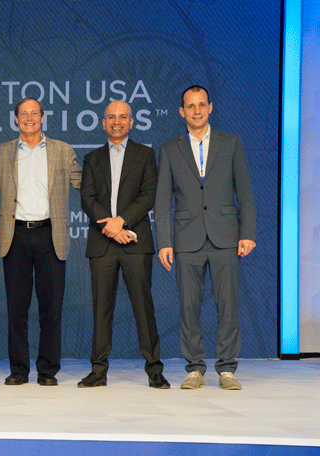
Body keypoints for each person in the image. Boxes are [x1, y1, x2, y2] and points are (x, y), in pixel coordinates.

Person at [154, 85, 256, 390]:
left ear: (210, 107)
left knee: (228, 306)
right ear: (181, 111)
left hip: (226, 235)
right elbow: (162, 200)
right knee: (188, 307)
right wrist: (164, 241)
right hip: (187, 239)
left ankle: (227, 369)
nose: (196, 110)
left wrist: (248, 233)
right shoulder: (170, 150)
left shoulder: (231, 143)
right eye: (190, 106)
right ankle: (194, 369)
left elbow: (245, 193)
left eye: (202, 104)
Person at [0, 97, 81, 386]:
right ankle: (18, 370)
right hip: (14, 235)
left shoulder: (62, 150)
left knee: (51, 308)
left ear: (42, 118)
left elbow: (86, 184)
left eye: (34, 113)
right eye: (23, 114)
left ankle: (47, 370)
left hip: (50, 235)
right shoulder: (2, 152)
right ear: (16, 119)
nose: (29, 118)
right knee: (16, 308)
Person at [78, 100, 169, 389]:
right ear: (103, 123)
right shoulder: (91, 158)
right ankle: (98, 371)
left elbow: (148, 194)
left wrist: (121, 222)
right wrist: (111, 227)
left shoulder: (145, 154)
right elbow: (87, 199)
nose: (116, 121)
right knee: (101, 310)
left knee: (143, 308)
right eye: (111, 117)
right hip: (102, 243)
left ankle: (154, 370)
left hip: (135, 242)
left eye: (122, 117)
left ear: (131, 122)